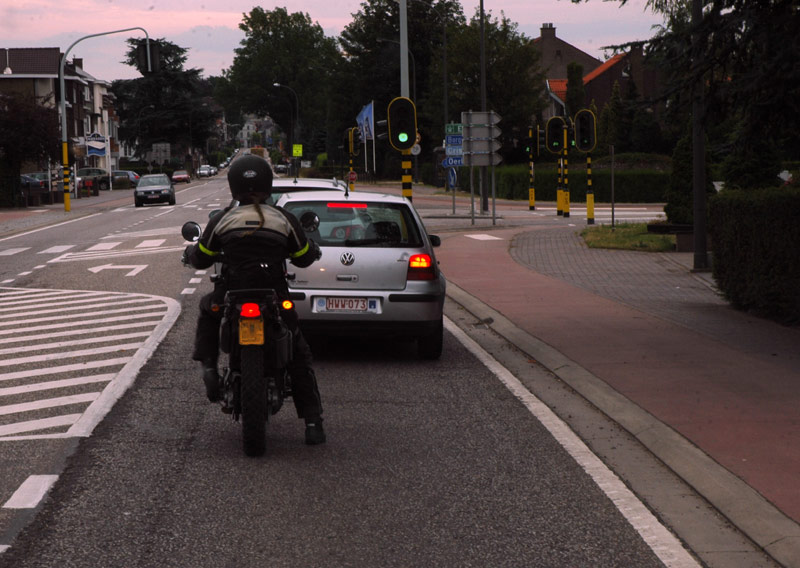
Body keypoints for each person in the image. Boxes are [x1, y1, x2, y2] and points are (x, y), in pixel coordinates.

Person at [184, 155, 325, 445]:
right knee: (298, 350)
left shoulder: (223, 219)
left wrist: (189, 254)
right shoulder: (284, 219)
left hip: (231, 293)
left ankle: (209, 368)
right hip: (274, 295)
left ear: (234, 185)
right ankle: (313, 423)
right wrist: (310, 248)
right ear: (267, 184)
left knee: (207, 308)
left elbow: (201, 258)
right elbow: (304, 257)